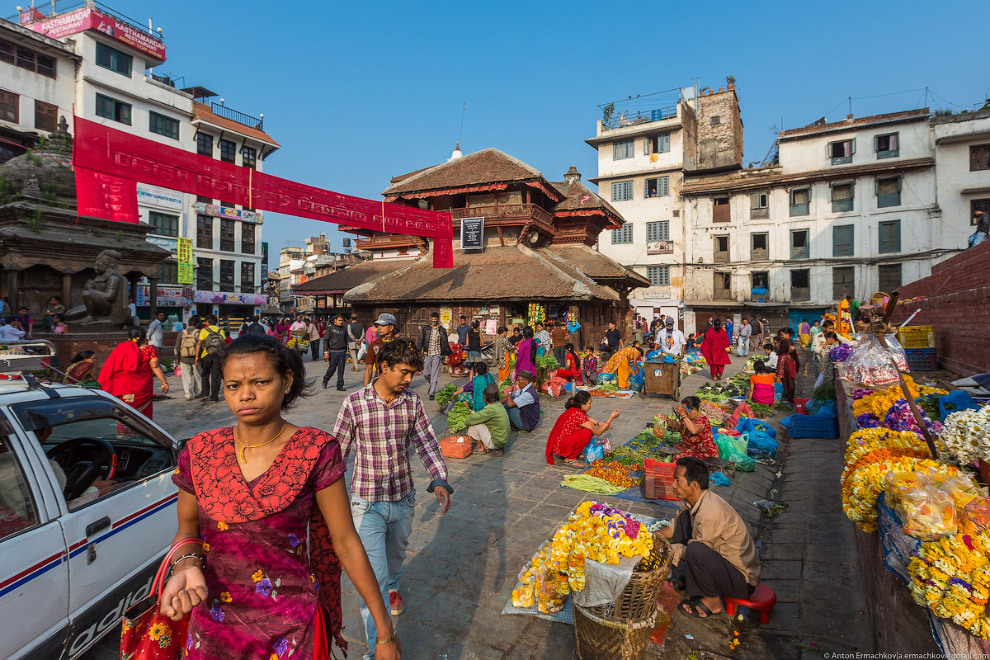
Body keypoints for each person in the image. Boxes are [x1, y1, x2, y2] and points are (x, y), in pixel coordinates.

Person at [160, 334, 400, 660]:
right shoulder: (199, 451)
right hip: (214, 625)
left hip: (290, 628)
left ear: (285, 381)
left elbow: (345, 541)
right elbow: (187, 533)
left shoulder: (315, 450)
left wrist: (384, 632)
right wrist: (185, 565)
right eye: (233, 386)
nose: (245, 394)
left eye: (260, 381)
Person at [332, 339, 451, 656]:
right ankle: (377, 650)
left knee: (395, 560)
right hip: (365, 504)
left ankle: (394, 587)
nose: (409, 379)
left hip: (403, 500)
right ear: (384, 367)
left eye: (413, 373)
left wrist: (440, 477)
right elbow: (336, 457)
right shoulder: (354, 404)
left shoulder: (412, 403)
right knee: (375, 580)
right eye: (404, 372)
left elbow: (427, 442)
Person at [660, 457, 760, 619]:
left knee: (695, 550)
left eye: (677, 481)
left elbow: (697, 551)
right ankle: (685, 577)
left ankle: (712, 602)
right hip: (722, 565)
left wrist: (667, 549)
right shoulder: (696, 501)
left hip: (741, 581)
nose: (673, 485)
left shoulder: (709, 512)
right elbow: (675, 527)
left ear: (694, 486)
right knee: (685, 518)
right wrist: (651, 536)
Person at [98, 327, 169, 420]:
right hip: (142, 388)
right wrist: (164, 382)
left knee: (125, 413)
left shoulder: (121, 348)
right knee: (143, 415)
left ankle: (124, 431)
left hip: (122, 388)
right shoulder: (149, 349)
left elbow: (111, 366)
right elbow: (155, 366)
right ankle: (142, 431)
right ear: (144, 337)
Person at [544, 390, 619, 467]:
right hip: (562, 446)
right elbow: (598, 432)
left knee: (589, 427)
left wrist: (600, 423)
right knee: (588, 432)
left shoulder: (575, 409)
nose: (591, 405)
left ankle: (572, 452)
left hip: (560, 443)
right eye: (589, 403)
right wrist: (611, 418)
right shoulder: (578, 415)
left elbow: (587, 418)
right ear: (582, 405)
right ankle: (570, 458)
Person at [661, 396, 718, 460]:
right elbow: (678, 425)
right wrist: (667, 419)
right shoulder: (688, 419)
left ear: (693, 409)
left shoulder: (701, 420)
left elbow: (694, 430)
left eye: (685, 411)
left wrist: (683, 415)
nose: (684, 413)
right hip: (689, 448)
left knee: (679, 459)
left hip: (703, 452)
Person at [464, 383, 510, 454]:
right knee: (481, 421)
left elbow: (469, 420)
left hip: (497, 443)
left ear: (485, 398)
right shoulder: (499, 405)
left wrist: (469, 418)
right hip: (502, 440)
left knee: (473, 424)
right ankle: (485, 443)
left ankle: (480, 446)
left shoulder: (490, 409)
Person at [419, 312, 452, 400]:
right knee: (426, 373)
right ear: (430, 319)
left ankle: (432, 392)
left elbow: (445, 343)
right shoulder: (425, 329)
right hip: (427, 353)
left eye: (435, 320)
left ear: (438, 320)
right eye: (432, 320)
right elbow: (421, 341)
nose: (433, 321)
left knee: (435, 373)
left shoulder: (442, 330)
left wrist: (445, 355)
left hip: (437, 354)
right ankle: (432, 383)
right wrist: (419, 351)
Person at [196, 314, 226, 402]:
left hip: (206, 355)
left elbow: (199, 344)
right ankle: (214, 396)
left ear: (207, 322)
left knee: (205, 374)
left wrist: (197, 356)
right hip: (218, 356)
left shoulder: (204, 330)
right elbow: (223, 343)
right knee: (216, 376)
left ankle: (205, 394)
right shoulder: (221, 331)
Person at [363, 313, 398, 387]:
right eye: (378, 325)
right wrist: (365, 389)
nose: (379, 328)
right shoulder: (374, 345)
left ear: (391, 327)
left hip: (396, 384)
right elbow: (369, 369)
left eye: (383, 325)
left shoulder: (399, 345)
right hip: (379, 384)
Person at [174, 315, 202, 401]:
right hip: (196, 358)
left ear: (188, 324)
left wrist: (177, 356)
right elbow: (201, 346)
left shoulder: (182, 333)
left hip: (184, 358)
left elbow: (177, 346)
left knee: (186, 377)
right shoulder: (199, 332)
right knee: (198, 376)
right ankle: (198, 393)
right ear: (197, 324)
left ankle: (188, 394)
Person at [322, 315, 349, 391]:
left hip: (342, 352)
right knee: (332, 368)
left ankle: (340, 385)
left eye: (342, 320)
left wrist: (346, 350)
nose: (341, 322)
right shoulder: (330, 329)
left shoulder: (344, 329)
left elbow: (345, 339)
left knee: (341, 369)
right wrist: (326, 352)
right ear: (335, 320)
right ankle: (326, 379)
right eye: (339, 320)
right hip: (333, 352)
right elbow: (325, 340)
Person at [776, 327, 800, 404]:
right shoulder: (786, 341)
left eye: (782, 335)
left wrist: (787, 354)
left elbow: (792, 348)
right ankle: (789, 397)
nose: (781, 336)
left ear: (787, 334)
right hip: (786, 362)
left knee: (788, 380)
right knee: (786, 380)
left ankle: (790, 398)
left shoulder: (788, 341)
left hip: (786, 363)